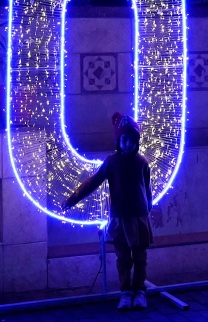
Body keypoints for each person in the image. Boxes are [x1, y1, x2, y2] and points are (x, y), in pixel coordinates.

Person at [64, 112, 153, 310]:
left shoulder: (142, 162)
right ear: (118, 140)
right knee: (123, 258)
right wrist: (73, 198)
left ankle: (139, 291)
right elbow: (93, 182)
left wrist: (148, 205)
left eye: (132, 140)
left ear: (137, 141)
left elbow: (147, 186)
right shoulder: (112, 163)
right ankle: (125, 292)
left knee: (140, 257)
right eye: (124, 139)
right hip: (119, 219)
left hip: (139, 218)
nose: (128, 143)